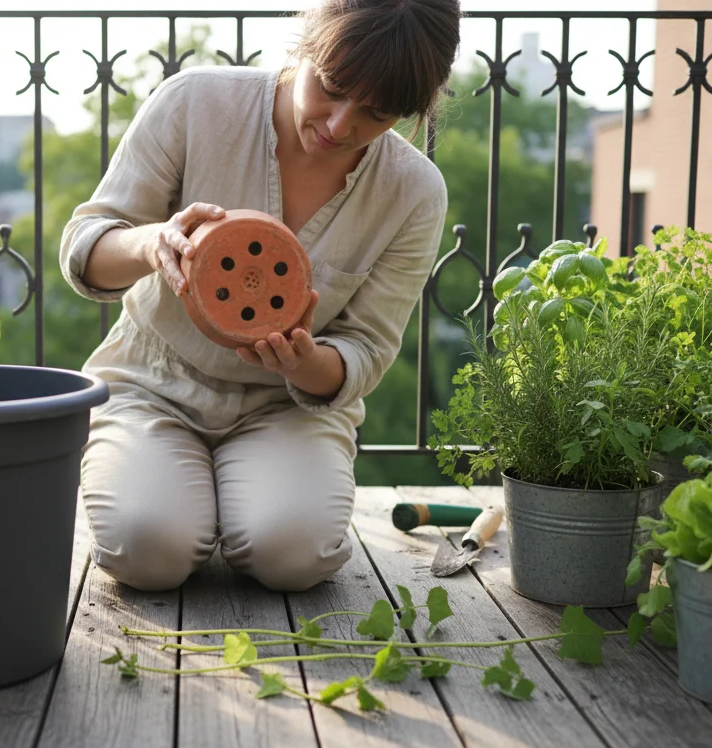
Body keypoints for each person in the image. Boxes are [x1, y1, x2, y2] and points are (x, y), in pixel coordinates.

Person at [59, 0, 459, 592]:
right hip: (152, 384)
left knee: (295, 556)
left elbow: (367, 350)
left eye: (377, 114)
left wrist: (305, 362)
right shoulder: (194, 101)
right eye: (332, 86)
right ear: (308, 41)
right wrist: (152, 244)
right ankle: (179, 499)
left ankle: (240, 502)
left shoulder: (416, 192)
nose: (339, 125)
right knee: (146, 550)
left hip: (288, 410)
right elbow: (85, 247)